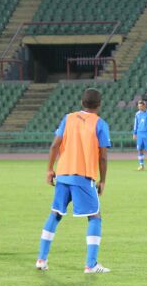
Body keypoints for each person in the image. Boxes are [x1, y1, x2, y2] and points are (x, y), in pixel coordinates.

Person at [35, 88, 111, 273]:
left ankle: (41, 259)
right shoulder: (100, 124)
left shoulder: (68, 118)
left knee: (55, 214)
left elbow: (55, 145)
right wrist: (102, 180)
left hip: (63, 174)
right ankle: (90, 264)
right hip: (83, 176)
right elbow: (102, 157)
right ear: (99, 105)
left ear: (81, 103)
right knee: (95, 217)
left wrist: (49, 169)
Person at [132, 100, 147, 171]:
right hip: (139, 133)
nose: (139, 107)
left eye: (140, 106)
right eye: (138, 106)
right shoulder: (137, 114)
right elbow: (135, 124)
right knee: (139, 149)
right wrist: (134, 133)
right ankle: (141, 165)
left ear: (144, 106)